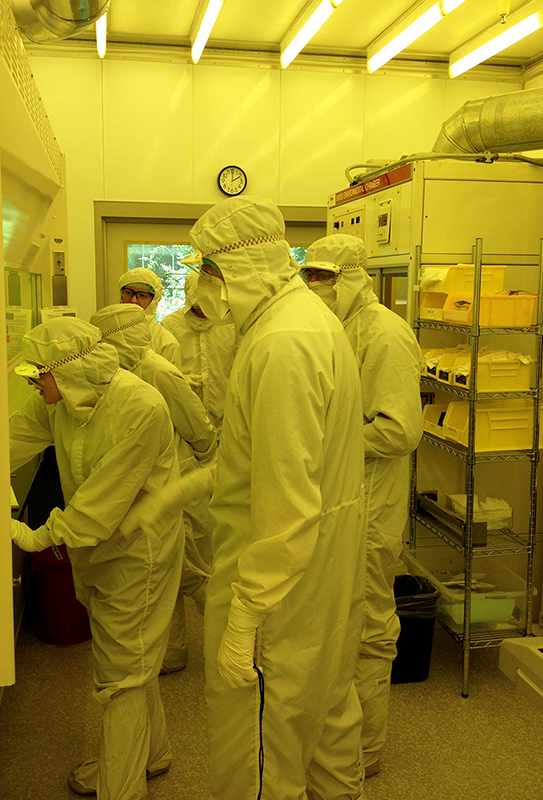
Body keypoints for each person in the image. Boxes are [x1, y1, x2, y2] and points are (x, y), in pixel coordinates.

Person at [188, 196, 367, 800]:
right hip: (324, 571)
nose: (198, 282)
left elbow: (287, 506)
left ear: (238, 269)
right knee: (326, 723)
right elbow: (274, 460)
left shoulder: (282, 342)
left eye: (206, 267)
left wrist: (245, 617)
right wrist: (181, 490)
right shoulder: (304, 321)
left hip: (281, 594)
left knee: (262, 753)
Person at [9, 317, 184, 800]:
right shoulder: (62, 398)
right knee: (133, 657)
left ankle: (120, 787)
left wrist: (38, 536)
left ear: (67, 370)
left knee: (121, 674)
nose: (30, 382)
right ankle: (153, 753)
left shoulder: (140, 406)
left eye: (36, 374)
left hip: (137, 553)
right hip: (97, 550)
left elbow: (103, 501)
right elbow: (7, 440)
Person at [302, 233, 423, 778]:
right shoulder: (332, 328)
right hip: (337, 496)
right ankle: (336, 738)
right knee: (336, 621)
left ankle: (366, 749)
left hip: (372, 504)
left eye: (323, 277)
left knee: (371, 623)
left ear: (352, 277)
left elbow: (399, 431)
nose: (313, 285)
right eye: (309, 275)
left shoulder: (386, 334)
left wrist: (326, 440)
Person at [90, 302, 217, 671]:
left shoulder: (158, 372)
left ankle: (238, 646)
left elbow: (198, 428)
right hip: (152, 484)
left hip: (179, 483)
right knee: (169, 574)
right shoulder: (119, 373)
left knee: (198, 574)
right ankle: (173, 653)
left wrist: (206, 476)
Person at [162, 270, 237, 437]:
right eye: (197, 307)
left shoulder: (230, 325)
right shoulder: (170, 326)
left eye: (207, 306)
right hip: (185, 419)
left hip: (225, 416)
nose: (202, 312)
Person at [118, 266, 182, 367]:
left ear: (154, 300)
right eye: (128, 293)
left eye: (142, 295)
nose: (133, 300)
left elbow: (169, 381)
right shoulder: (106, 334)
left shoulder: (166, 344)